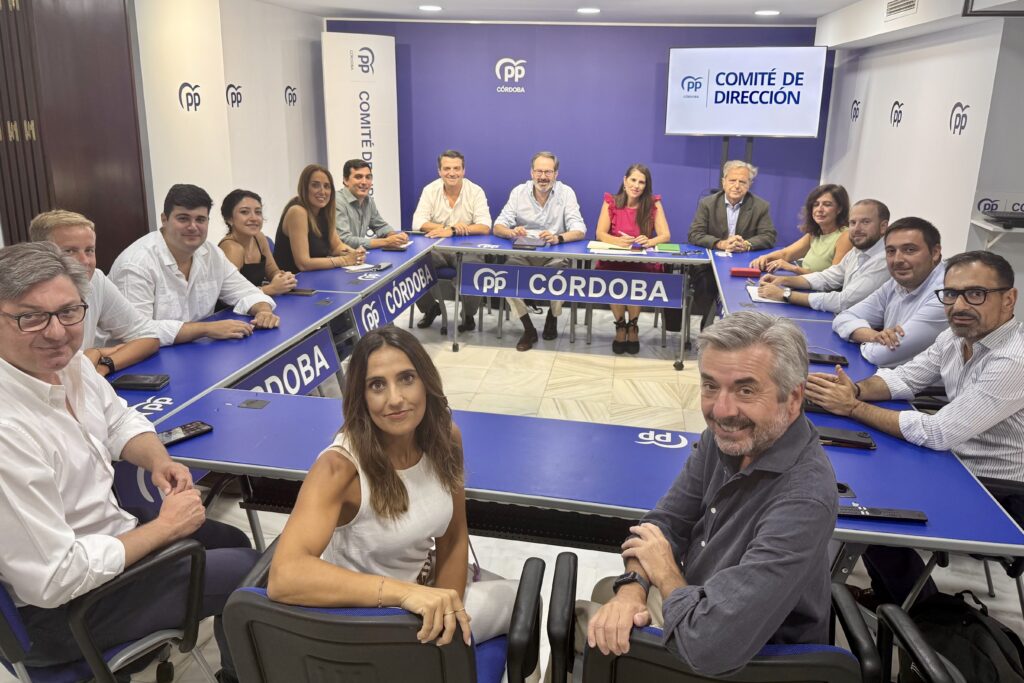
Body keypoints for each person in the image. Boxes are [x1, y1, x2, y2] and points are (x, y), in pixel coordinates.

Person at [0, 242, 257, 682]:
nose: (57, 332)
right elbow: (55, 578)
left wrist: (157, 459)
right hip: (61, 612)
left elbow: (118, 418)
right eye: (32, 317)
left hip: (104, 544)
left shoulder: (68, 365)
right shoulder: (8, 430)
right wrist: (166, 528)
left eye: (69, 312)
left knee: (230, 537)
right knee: (253, 572)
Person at [583, 311, 837, 676]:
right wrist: (632, 590)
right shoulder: (728, 439)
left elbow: (709, 645)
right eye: (710, 386)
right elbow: (662, 525)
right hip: (697, 605)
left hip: (751, 662)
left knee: (579, 626)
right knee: (609, 595)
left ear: (793, 397)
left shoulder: (804, 499)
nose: (721, 410)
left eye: (746, 390)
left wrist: (666, 573)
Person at [268, 327, 519, 645]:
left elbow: (454, 536)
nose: (395, 399)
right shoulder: (338, 468)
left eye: (406, 378)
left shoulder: (446, 438)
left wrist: (446, 610)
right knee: (526, 603)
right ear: (361, 397)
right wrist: (404, 594)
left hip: (422, 590)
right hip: (369, 618)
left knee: (523, 598)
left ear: (426, 381)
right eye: (377, 385)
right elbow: (284, 576)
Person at [806, 250, 1023, 606]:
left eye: (975, 294)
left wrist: (853, 407)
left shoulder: (1014, 359)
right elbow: (904, 378)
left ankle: (920, 613)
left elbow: (939, 433)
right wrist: (855, 390)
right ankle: (893, 599)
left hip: (999, 493)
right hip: (954, 463)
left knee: (873, 509)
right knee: (864, 484)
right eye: (951, 294)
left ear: (1009, 299)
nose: (959, 305)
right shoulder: (955, 338)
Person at [109, 184, 280, 345]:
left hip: (192, 350)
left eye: (200, 219)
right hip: (133, 361)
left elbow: (246, 292)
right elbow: (137, 332)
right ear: (164, 219)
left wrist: (263, 311)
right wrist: (206, 329)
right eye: (183, 219)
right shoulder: (136, 264)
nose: (193, 227)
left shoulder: (211, 254)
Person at [29, 209, 160, 374]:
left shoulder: (95, 279)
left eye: (89, 250)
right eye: (69, 251)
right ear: (41, 254)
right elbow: (52, 373)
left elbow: (148, 335)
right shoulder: (21, 300)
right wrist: (90, 357)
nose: (84, 261)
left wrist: (104, 364)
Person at [493, 151, 587, 351]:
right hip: (523, 253)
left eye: (548, 172)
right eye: (539, 171)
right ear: (531, 173)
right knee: (506, 275)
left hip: (553, 253)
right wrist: (511, 232)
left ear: (556, 174)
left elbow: (580, 229)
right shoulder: (519, 192)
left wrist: (558, 238)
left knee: (561, 275)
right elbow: (498, 226)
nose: (543, 176)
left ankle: (552, 317)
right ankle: (528, 329)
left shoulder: (566, 193)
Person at [831, 217, 946, 368]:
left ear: (935, 252)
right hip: (887, 375)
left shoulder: (945, 296)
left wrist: (864, 338)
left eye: (909, 250)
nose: (897, 260)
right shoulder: (896, 283)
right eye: (891, 251)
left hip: (915, 383)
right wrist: (873, 336)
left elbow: (881, 355)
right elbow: (843, 317)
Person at [756, 199, 891, 313]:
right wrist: (784, 280)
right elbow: (828, 277)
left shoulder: (885, 260)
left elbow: (843, 302)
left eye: (865, 222)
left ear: (883, 227)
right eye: (853, 222)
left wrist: (785, 294)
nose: (857, 228)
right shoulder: (858, 250)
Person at [687, 160, 776, 326]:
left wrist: (746, 244)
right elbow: (695, 234)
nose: (736, 186)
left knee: (746, 295)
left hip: (744, 265)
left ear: (749, 185)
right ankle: (707, 326)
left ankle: (737, 329)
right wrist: (720, 244)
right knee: (706, 287)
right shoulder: (708, 204)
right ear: (724, 182)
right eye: (732, 180)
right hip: (709, 266)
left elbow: (768, 235)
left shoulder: (760, 206)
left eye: (742, 182)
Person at [410, 150, 491, 332]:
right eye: (447, 168)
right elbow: (417, 223)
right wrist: (448, 228)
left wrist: (453, 231)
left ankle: (468, 314)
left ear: (463, 171)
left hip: (467, 248)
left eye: (456, 168)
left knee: (474, 269)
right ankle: (430, 308)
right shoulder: (430, 190)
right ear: (439, 171)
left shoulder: (475, 191)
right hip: (436, 249)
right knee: (411, 265)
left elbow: (485, 226)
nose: (452, 173)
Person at [594, 163, 671, 354]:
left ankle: (633, 325)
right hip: (614, 259)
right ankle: (620, 325)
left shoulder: (653, 203)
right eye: (633, 180)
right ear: (625, 180)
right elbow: (600, 233)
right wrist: (618, 241)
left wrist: (649, 241)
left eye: (641, 182)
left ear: (646, 185)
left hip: (641, 260)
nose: (636, 185)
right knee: (612, 275)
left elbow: (665, 235)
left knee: (636, 277)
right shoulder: (611, 201)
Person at [273, 164, 365, 272]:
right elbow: (303, 264)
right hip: (294, 280)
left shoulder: (324, 211)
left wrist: (354, 253)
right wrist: (344, 260)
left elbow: (336, 246)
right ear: (304, 187)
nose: (322, 191)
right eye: (315, 185)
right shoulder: (297, 211)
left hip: (314, 277)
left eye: (327, 186)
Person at [749, 183, 852, 275]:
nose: (819, 209)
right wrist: (765, 258)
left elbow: (832, 278)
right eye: (816, 204)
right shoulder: (815, 234)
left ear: (839, 209)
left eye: (827, 204)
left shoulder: (845, 236)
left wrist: (793, 268)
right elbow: (786, 254)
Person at [217, 189, 297, 294]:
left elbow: (272, 271)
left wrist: (283, 278)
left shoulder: (259, 237)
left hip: (256, 301)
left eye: (258, 212)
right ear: (229, 219)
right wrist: (271, 289)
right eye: (244, 212)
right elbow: (228, 294)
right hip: (234, 304)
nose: (254, 218)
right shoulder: (232, 248)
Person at [336, 159, 409, 250]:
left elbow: (380, 226)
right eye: (358, 177)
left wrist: (395, 236)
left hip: (356, 255)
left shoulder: (368, 200)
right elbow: (345, 240)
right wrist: (387, 242)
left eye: (368, 177)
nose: (364, 182)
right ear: (346, 180)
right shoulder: (337, 202)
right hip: (336, 257)